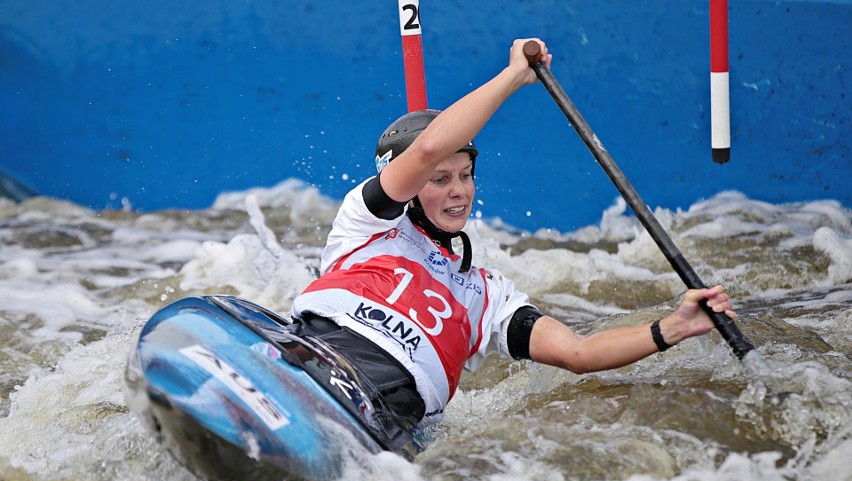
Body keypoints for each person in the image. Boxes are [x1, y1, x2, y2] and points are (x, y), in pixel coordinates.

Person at [289, 38, 737, 429]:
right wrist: (512, 76)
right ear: (406, 187)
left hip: (389, 412)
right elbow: (428, 148)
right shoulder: (367, 223)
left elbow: (577, 354)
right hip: (318, 354)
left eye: (465, 175)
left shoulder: (487, 296)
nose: (459, 192)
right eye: (440, 180)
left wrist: (673, 327)